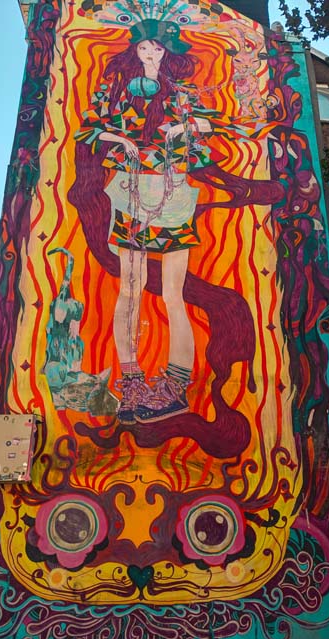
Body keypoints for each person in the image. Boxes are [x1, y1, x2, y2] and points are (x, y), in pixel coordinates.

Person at [74, 19, 221, 425]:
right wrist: (120, 139)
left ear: (166, 53)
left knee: (174, 293)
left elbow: (211, 123)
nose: (151, 55)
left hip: (173, 193)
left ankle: (174, 385)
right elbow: (89, 129)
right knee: (130, 289)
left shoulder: (181, 91)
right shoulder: (117, 90)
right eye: (144, 49)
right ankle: (133, 379)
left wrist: (183, 126)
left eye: (157, 49)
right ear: (134, 52)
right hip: (131, 190)